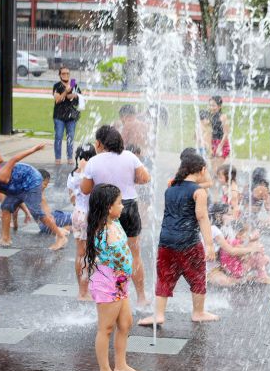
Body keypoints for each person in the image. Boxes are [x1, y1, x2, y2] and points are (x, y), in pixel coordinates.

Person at [138, 153, 217, 327]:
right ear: (202, 170)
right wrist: (210, 244)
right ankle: (198, 312)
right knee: (197, 276)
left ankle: (158, 315)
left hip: (166, 241)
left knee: (164, 277)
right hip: (188, 241)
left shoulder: (170, 188)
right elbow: (202, 217)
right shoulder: (199, 191)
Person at [81, 125, 151, 306]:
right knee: (134, 254)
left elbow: (85, 189)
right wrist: (128, 179)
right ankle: (141, 297)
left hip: (103, 211)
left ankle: (107, 294)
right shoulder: (129, 156)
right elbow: (145, 178)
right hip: (128, 206)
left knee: (102, 254)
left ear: (99, 143)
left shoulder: (94, 162)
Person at [83, 183, 143, 371]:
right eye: (119, 203)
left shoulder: (115, 222)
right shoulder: (103, 230)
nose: (123, 206)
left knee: (125, 324)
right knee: (106, 328)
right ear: (109, 207)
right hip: (107, 283)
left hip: (120, 283)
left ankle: (121, 364)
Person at [0, 144, 68, 250]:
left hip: (31, 179)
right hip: (20, 185)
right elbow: (15, 201)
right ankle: (5, 239)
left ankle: (61, 237)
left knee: (37, 212)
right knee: (5, 207)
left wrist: (34, 149)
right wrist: (25, 212)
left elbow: (14, 159)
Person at [205, 203, 264, 287]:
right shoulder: (213, 229)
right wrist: (252, 249)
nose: (232, 217)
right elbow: (231, 250)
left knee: (257, 258)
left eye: (231, 214)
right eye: (228, 214)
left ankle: (259, 276)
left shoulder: (227, 228)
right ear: (218, 216)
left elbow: (237, 245)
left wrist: (251, 240)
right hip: (211, 270)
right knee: (226, 282)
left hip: (223, 266)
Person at [68, 143, 97, 300]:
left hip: (77, 214)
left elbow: (72, 198)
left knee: (80, 254)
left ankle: (81, 290)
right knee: (90, 254)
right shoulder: (90, 175)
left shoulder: (72, 175)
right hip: (89, 215)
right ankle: (87, 291)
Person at [51, 67, 81, 165]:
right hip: (59, 116)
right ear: (60, 75)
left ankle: (70, 158)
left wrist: (74, 96)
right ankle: (58, 158)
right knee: (58, 136)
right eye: (63, 73)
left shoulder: (73, 83)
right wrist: (65, 92)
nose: (66, 75)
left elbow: (78, 99)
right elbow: (58, 99)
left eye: (67, 73)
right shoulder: (57, 86)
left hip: (71, 117)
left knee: (70, 137)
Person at [208, 96, 231, 168]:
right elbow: (209, 131)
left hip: (222, 144)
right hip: (213, 143)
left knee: (217, 168)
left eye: (213, 105)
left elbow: (226, 133)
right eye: (210, 105)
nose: (211, 107)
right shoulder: (211, 116)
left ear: (219, 106)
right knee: (213, 168)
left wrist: (220, 147)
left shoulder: (223, 117)